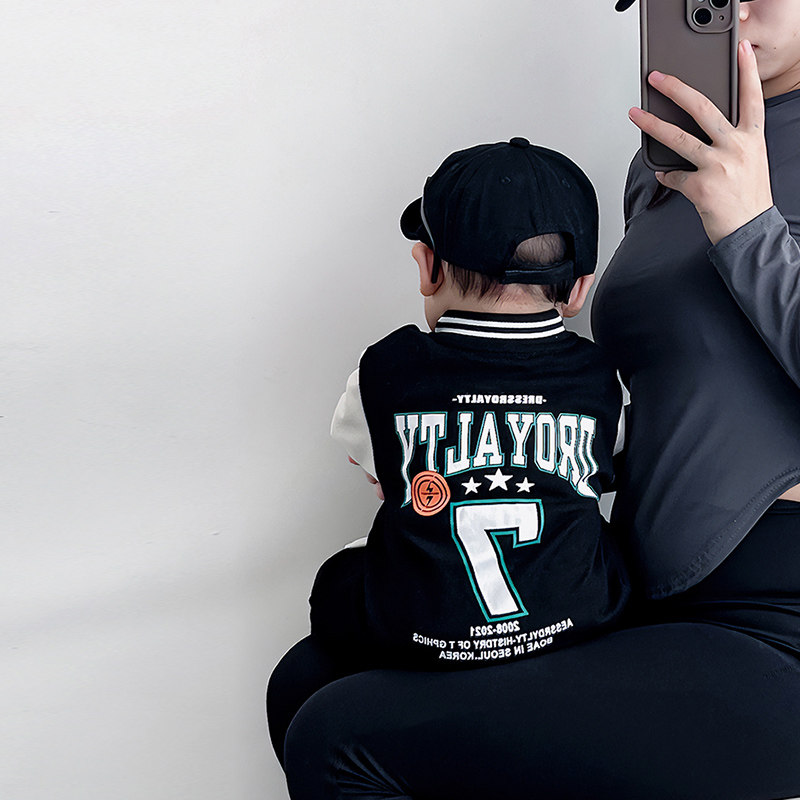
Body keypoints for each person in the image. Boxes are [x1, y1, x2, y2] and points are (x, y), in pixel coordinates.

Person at [268, 1, 800, 797]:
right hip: (648, 591)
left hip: (775, 613)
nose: (730, 4)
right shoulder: (669, 161)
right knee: (307, 679)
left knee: (341, 737)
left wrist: (750, 223)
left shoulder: (737, 187)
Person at [307, 139, 629, 675]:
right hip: (576, 621)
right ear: (578, 290)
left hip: (418, 635)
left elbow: (369, 462)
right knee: (600, 537)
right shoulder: (600, 377)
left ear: (427, 267)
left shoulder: (384, 369)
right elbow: (610, 463)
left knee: (339, 578)